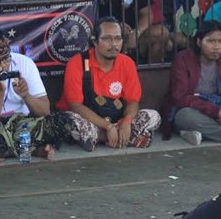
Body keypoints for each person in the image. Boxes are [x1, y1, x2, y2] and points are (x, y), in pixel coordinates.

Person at [0, 28, 76, 165]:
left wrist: (26, 96)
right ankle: (30, 149)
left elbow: (45, 111)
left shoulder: (25, 64)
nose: (3, 66)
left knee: (63, 122)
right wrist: (0, 92)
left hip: (22, 124)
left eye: (6, 59)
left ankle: (7, 151)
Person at [56, 17, 161, 149]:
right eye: (107, 39)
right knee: (68, 121)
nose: (114, 44)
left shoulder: (127, 63)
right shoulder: (77, 63)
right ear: (95, 41)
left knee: (153, 116)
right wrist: (107, 127)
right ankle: (116, 137)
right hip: (89, 121)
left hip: (116, 119)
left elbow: (133, 102)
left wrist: (126, 122)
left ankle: (106, 137)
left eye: (118, 39)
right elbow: (75, 106)